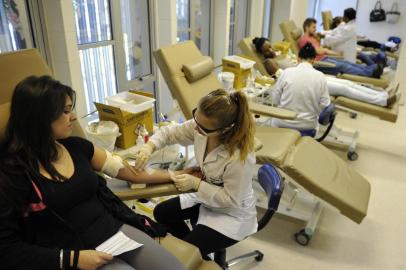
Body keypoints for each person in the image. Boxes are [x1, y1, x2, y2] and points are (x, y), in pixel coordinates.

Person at [0, 75, 188, 270]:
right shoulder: (13, 174)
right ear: (39, 118)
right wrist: (72, 259)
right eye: (65, 111)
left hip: (116, 234)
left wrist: (175, 175)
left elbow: (130, 173)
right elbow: (6, 249)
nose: (73, 117)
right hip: (74, 254)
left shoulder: (77, 146)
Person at [133, 89, 257, 267]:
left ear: (225, 129)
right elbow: (170, 133)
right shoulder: (202, 125)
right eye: (195, 118)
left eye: (203, 127)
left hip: (231, 214)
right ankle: (199, 256)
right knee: (162, 213)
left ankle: (197, 258)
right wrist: (149, 146)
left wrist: (197, 184)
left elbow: (231, 199)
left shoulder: (239, 157)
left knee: (186, 253)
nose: (196, 128)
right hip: (206, 197)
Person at [253, 37, 398, 108]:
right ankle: (382, 101)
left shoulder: (278, 55)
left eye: (270, 47)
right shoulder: (269, 62)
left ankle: (382, 94)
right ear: (262, 53)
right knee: (344, 88)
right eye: (267, 50)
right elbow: (282, 77)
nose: (271, 50)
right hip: (303, 82)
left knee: (347, 82)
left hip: (310, 75)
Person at [270, 42, 331, 132]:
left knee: (270, 121)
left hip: (283, 123)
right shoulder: (320, 76)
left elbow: (275, 99)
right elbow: (325, 103)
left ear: (298, 58)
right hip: (308, 125)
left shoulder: (286, 72)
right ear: (314, 59)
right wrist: (313, 111)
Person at [298, 18, 384, 78]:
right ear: (306, 27)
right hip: (319, 63)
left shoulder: (312, 38)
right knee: (343, 66)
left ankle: (371, 68)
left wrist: (334, 52)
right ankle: (370, 73)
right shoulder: (304, 39)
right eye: (313, 27)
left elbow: (322, 49)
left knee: (347, 63)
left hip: (325, 58)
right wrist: (328, 51)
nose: (315, 29)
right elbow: (318, 51)